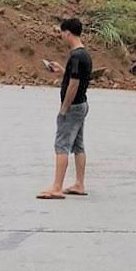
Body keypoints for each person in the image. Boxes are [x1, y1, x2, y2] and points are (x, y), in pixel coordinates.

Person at [37, 18, 92, 200]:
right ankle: (79, 183)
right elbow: (76, 77)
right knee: (78, 144)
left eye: (62, 33)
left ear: (68, 33)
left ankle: (57, 186)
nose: (61, 36)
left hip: (74, 106)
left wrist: (64, 108)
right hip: (83, 104)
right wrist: (62, 70)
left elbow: (74, 84)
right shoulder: (84, 55)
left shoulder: (76, 56)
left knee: (61, 144)